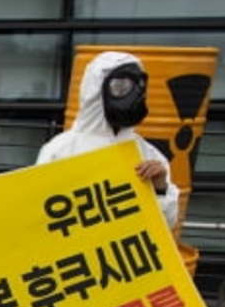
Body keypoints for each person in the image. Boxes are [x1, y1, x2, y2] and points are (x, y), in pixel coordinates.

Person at [36, 50, 180, 230]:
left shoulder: (148, 155)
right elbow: (37, 217)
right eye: (120, 87)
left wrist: (160, 189)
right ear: (96, 91)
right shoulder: (60, 150)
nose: (133, 96)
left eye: (138, 86)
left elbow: (165, 226)